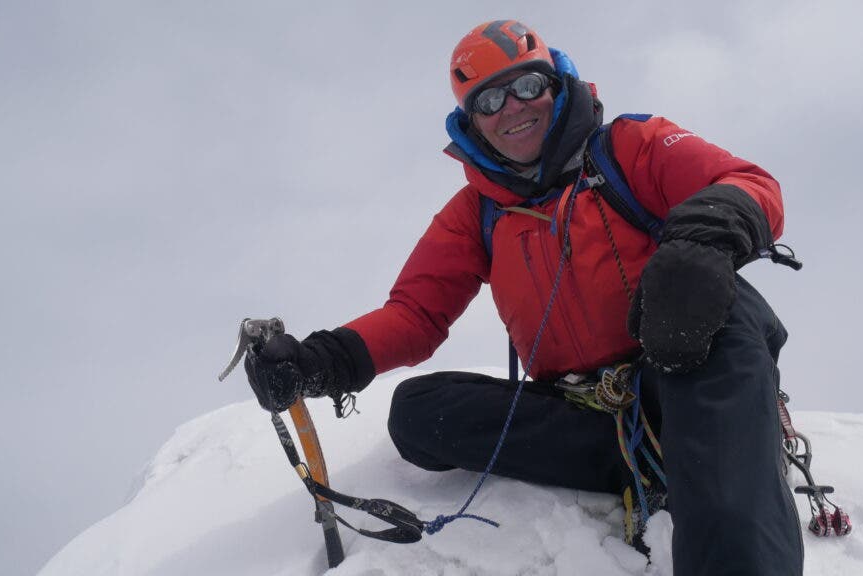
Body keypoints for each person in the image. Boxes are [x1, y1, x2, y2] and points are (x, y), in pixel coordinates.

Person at [244, 20, 804, 576]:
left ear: (557, 85)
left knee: (720, 315)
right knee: (418, 412)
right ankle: (667, 457)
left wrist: (700, 241)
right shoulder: (476, 213)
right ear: (471, 122)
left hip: (686, 361)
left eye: (527, 85)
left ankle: (724, 476)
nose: (513, 106)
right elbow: (416, 313)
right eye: (489, 98)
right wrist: (320, 361)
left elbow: (747, 183)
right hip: (590, 408)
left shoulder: (631, 146)